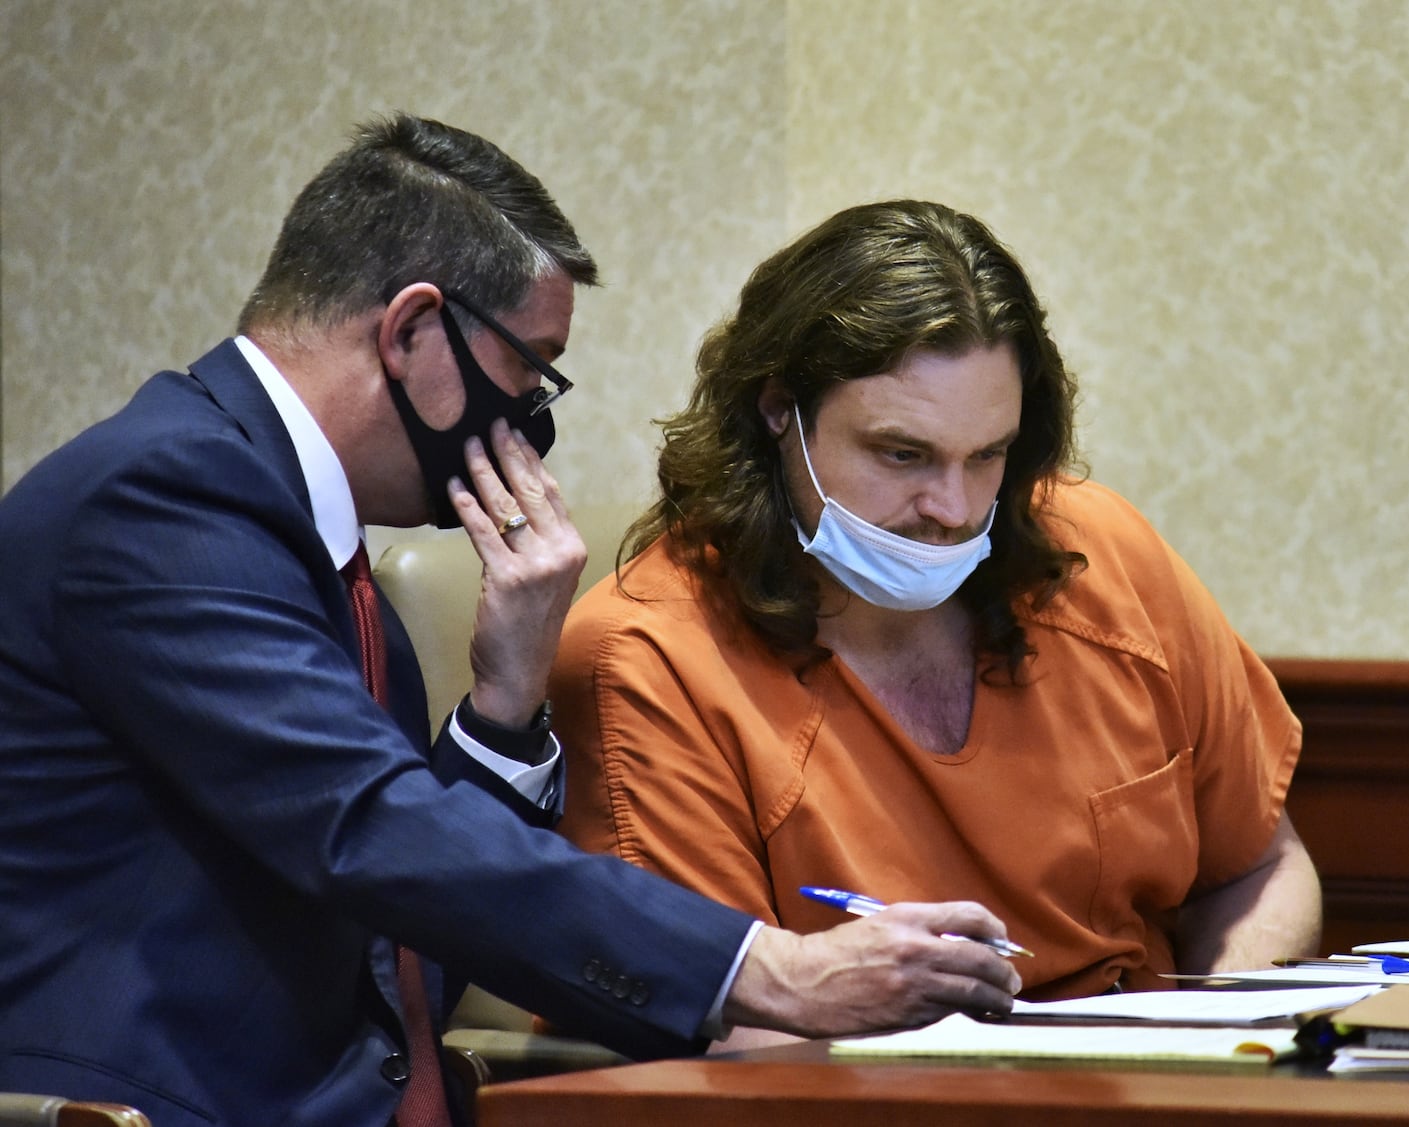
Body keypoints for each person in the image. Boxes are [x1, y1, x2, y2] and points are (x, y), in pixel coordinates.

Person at [0, 120, 1022, 1127]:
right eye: (533, 365)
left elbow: (402, 917)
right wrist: (774, 967)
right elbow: (369, 826)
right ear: (411, 331)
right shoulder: (160, 500)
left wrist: (503, 699)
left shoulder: (303, 533)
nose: (533, 411)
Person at [551, 199, 1323, 1050]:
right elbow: (731, 1031)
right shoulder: (647, 655)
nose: (951, 510)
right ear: (780, 411)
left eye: (986, 455)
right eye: (903, 454)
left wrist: (1223, 1043)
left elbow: (1261, 869)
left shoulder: (1101, 552)